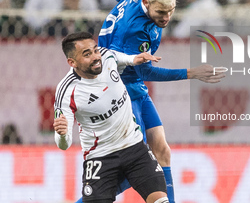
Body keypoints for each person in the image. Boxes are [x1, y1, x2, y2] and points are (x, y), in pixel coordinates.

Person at [94, 0, 225, 203]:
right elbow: (146, 72)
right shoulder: (135, 31)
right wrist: (191, 73)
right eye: (161, 12)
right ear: (146, 3)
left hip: (134, 84)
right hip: (120, 89)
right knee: (134, 167)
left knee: (162, 151)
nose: (166, 17)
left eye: (171, 10)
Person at [54, 32, 169, 203]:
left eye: (95, 50)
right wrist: (62, 134)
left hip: (134, 147)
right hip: (100, 158)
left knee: (160, 200)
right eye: (87, 54)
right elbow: (64, 145)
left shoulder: (106, 56)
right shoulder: (67, 91)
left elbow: (115, 56)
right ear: (72, 62)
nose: (96, 57)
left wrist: (133, 59)